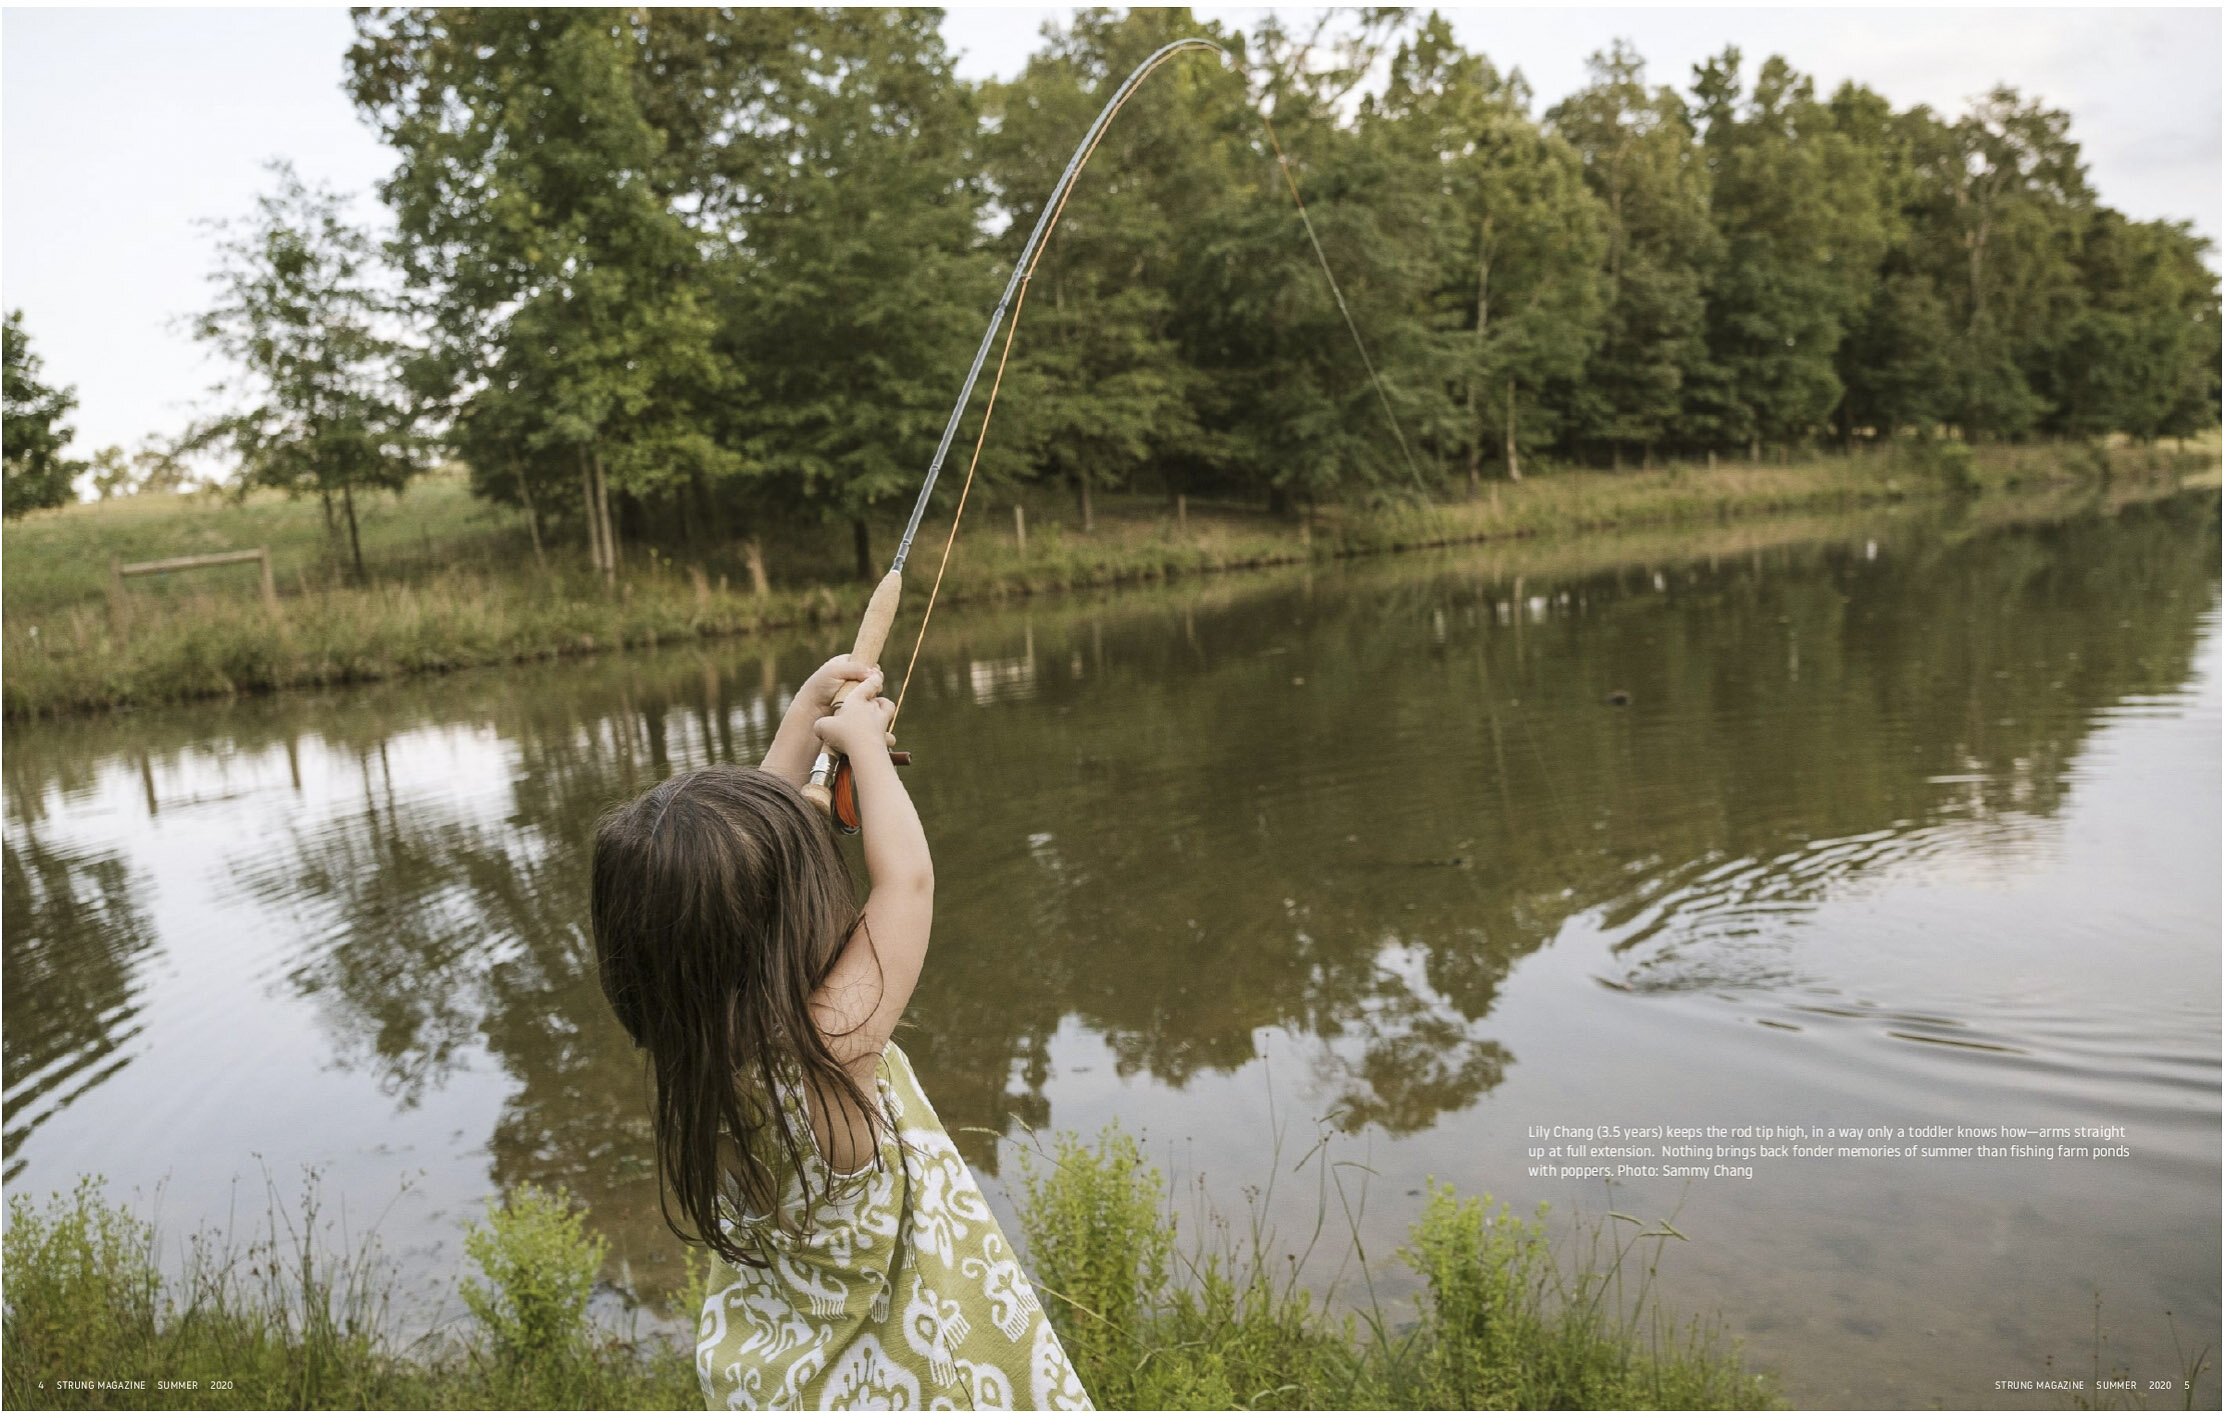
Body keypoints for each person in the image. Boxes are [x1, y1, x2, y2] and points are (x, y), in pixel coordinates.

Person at [590, 655, 1092, 1410]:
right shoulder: (831, 1046)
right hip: (930, 1378)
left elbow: (731, 874)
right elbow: (906, 882)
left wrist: (806, 715)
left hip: (815, 1376)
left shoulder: (695, 1051)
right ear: (778, 924)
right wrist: (862, 753)